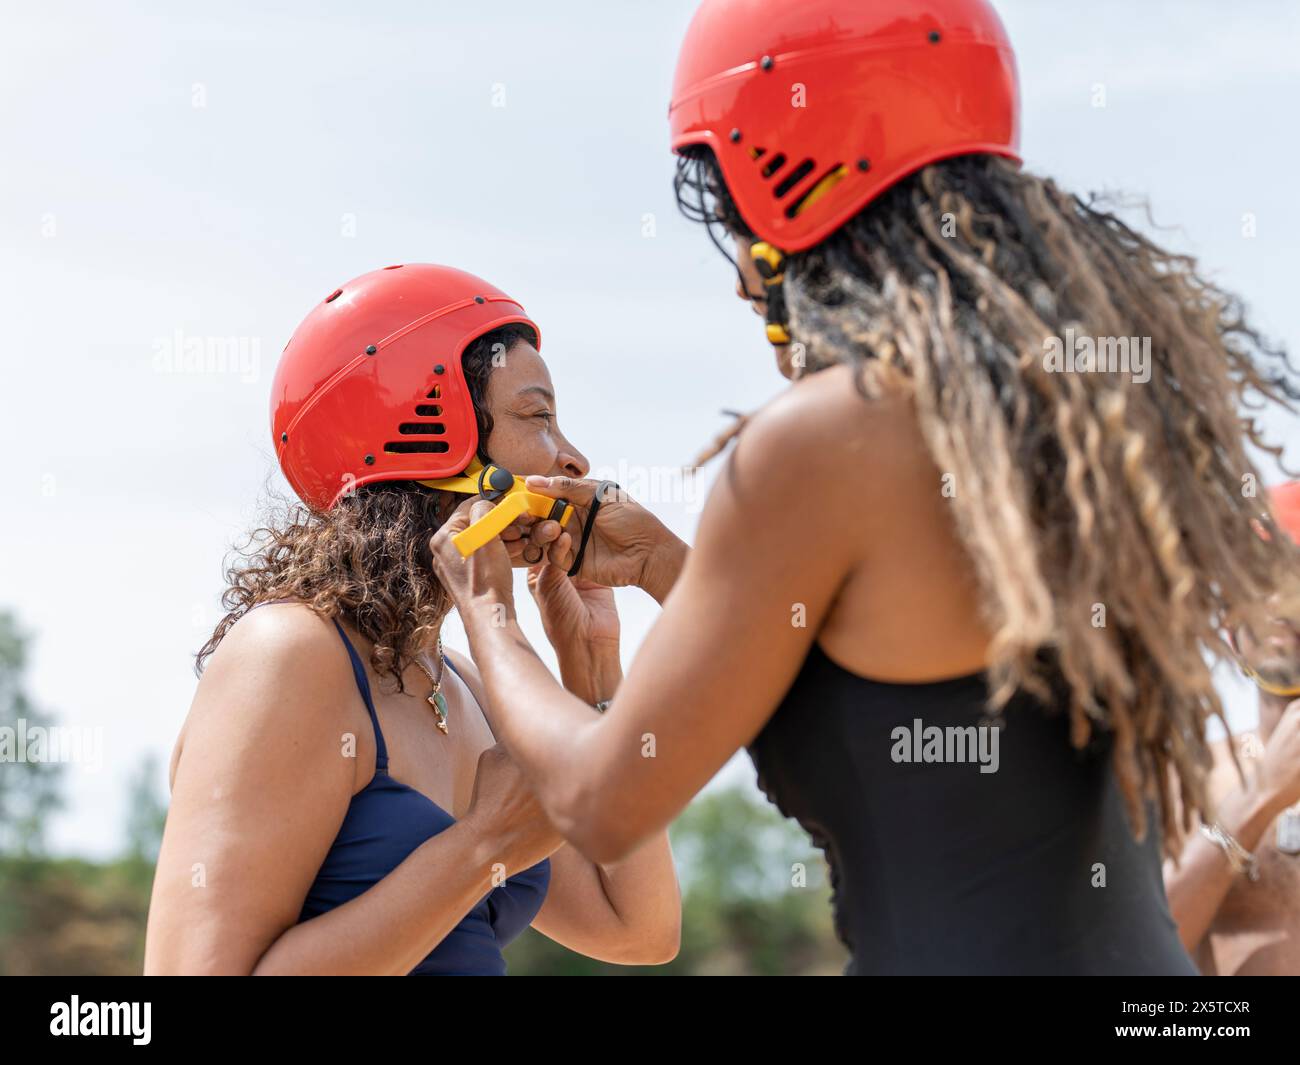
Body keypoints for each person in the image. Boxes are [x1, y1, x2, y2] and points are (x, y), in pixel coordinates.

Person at [424, 0, 1300, 974]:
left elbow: (599, 796)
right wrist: (674, 566)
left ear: (780, 178)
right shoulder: (1075, 415)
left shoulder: (824, 432)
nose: (740, 280)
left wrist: (489, 614)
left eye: (726, 204)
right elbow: (911, 710)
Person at [143, 264, 681, 975]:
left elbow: (638, 928)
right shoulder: (289, 655)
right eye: (537, 415)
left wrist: (592, 666)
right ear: (432, 434)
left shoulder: (462, 683)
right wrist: (483, 846)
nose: (573, 457)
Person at [1165, 482, 1300, 975]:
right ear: (1227, 624)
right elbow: (1131, 956)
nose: (1275, 605)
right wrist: (1258, 798)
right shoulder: (1186, 778)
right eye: (1255, 581)